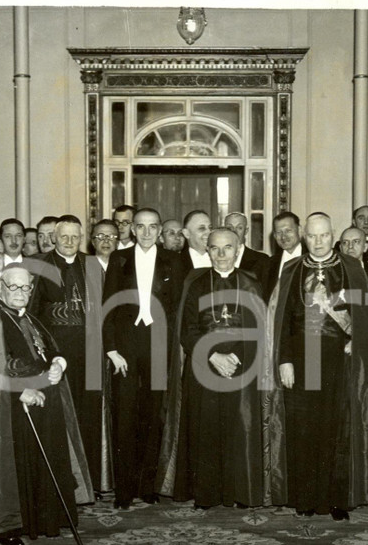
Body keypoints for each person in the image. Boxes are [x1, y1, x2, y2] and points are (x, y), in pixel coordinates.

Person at [0, 265, 93, 545]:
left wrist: (58, 364)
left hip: (44, 399)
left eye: (25, 287)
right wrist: (21, 392)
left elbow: (50, 349)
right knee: (12, 466)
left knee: (46, 459)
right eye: (13, 287)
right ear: (1, 288)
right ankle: (8, 526)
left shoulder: (31, 318)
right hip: (10, 407)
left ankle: (45, 520)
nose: (20, 293)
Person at [272, 213, 368, 520]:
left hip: (339, 361)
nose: (318, 242)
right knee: (304, 432)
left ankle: (337, 501)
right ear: (304, 237)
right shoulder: (292, 270)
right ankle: (305, 500)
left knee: (338, 431)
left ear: (332, 235)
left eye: (323, 236)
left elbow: (366, 316)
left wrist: (356, 342)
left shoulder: (351, 268)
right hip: (301, 361)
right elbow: (283, 321)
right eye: (312, 236)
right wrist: (284, 360)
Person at [156, 228, 265, 508]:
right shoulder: (196, 283)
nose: (221, 255)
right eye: (215, 248)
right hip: (203, 365)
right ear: (207, 250)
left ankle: (238, 492)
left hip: (242, 367)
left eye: (227, 248)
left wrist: (234, 359)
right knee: (205, 430)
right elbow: (187, 329)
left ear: (238, 249)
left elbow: (259, 329)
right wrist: (214, 355)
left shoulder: (251, 284)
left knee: (237, 429)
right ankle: (207, 494)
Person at [102, 207, 186, 509]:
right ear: (133, 230)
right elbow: (108, 304)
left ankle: (147, 486)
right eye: (141, 227)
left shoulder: (175, 261)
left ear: (160, 230)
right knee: (124, 416)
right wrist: (111, 348)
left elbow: (178, 308)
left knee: (154, 416)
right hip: (125, 348)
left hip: (159, 346)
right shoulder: (119, 259)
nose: (147, 233)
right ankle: (124, 490)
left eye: (153, 227)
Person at [29, 216, 112, 494]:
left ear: (82, 238)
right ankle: (63, 483)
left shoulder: (92, 265)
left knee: (88, 414)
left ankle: (91, 482)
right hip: (56, 350)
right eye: (64, 236)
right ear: (54, 237)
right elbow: (32, 312)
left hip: (90, 350)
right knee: (61, 414)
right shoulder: (40, 265)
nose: (69, 242)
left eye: (75, 237)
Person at [224, 211, 270, 289]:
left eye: (239, 228)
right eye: (230, 228)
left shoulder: (262, 260)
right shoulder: (216, 257)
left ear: (246, 230)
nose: (234, 231)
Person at [264, 211, 303, 297]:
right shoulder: (268, 265)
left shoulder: (312, 258)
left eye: (288, 231)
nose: (283, 237)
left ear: (299, 230)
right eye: (279, 232)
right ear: (274, 236)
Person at [338, 226, 368, 292]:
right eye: (345, 242)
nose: (350, 246)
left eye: (356, 241)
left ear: (365, 247)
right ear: (340, 248)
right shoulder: (334, 274)